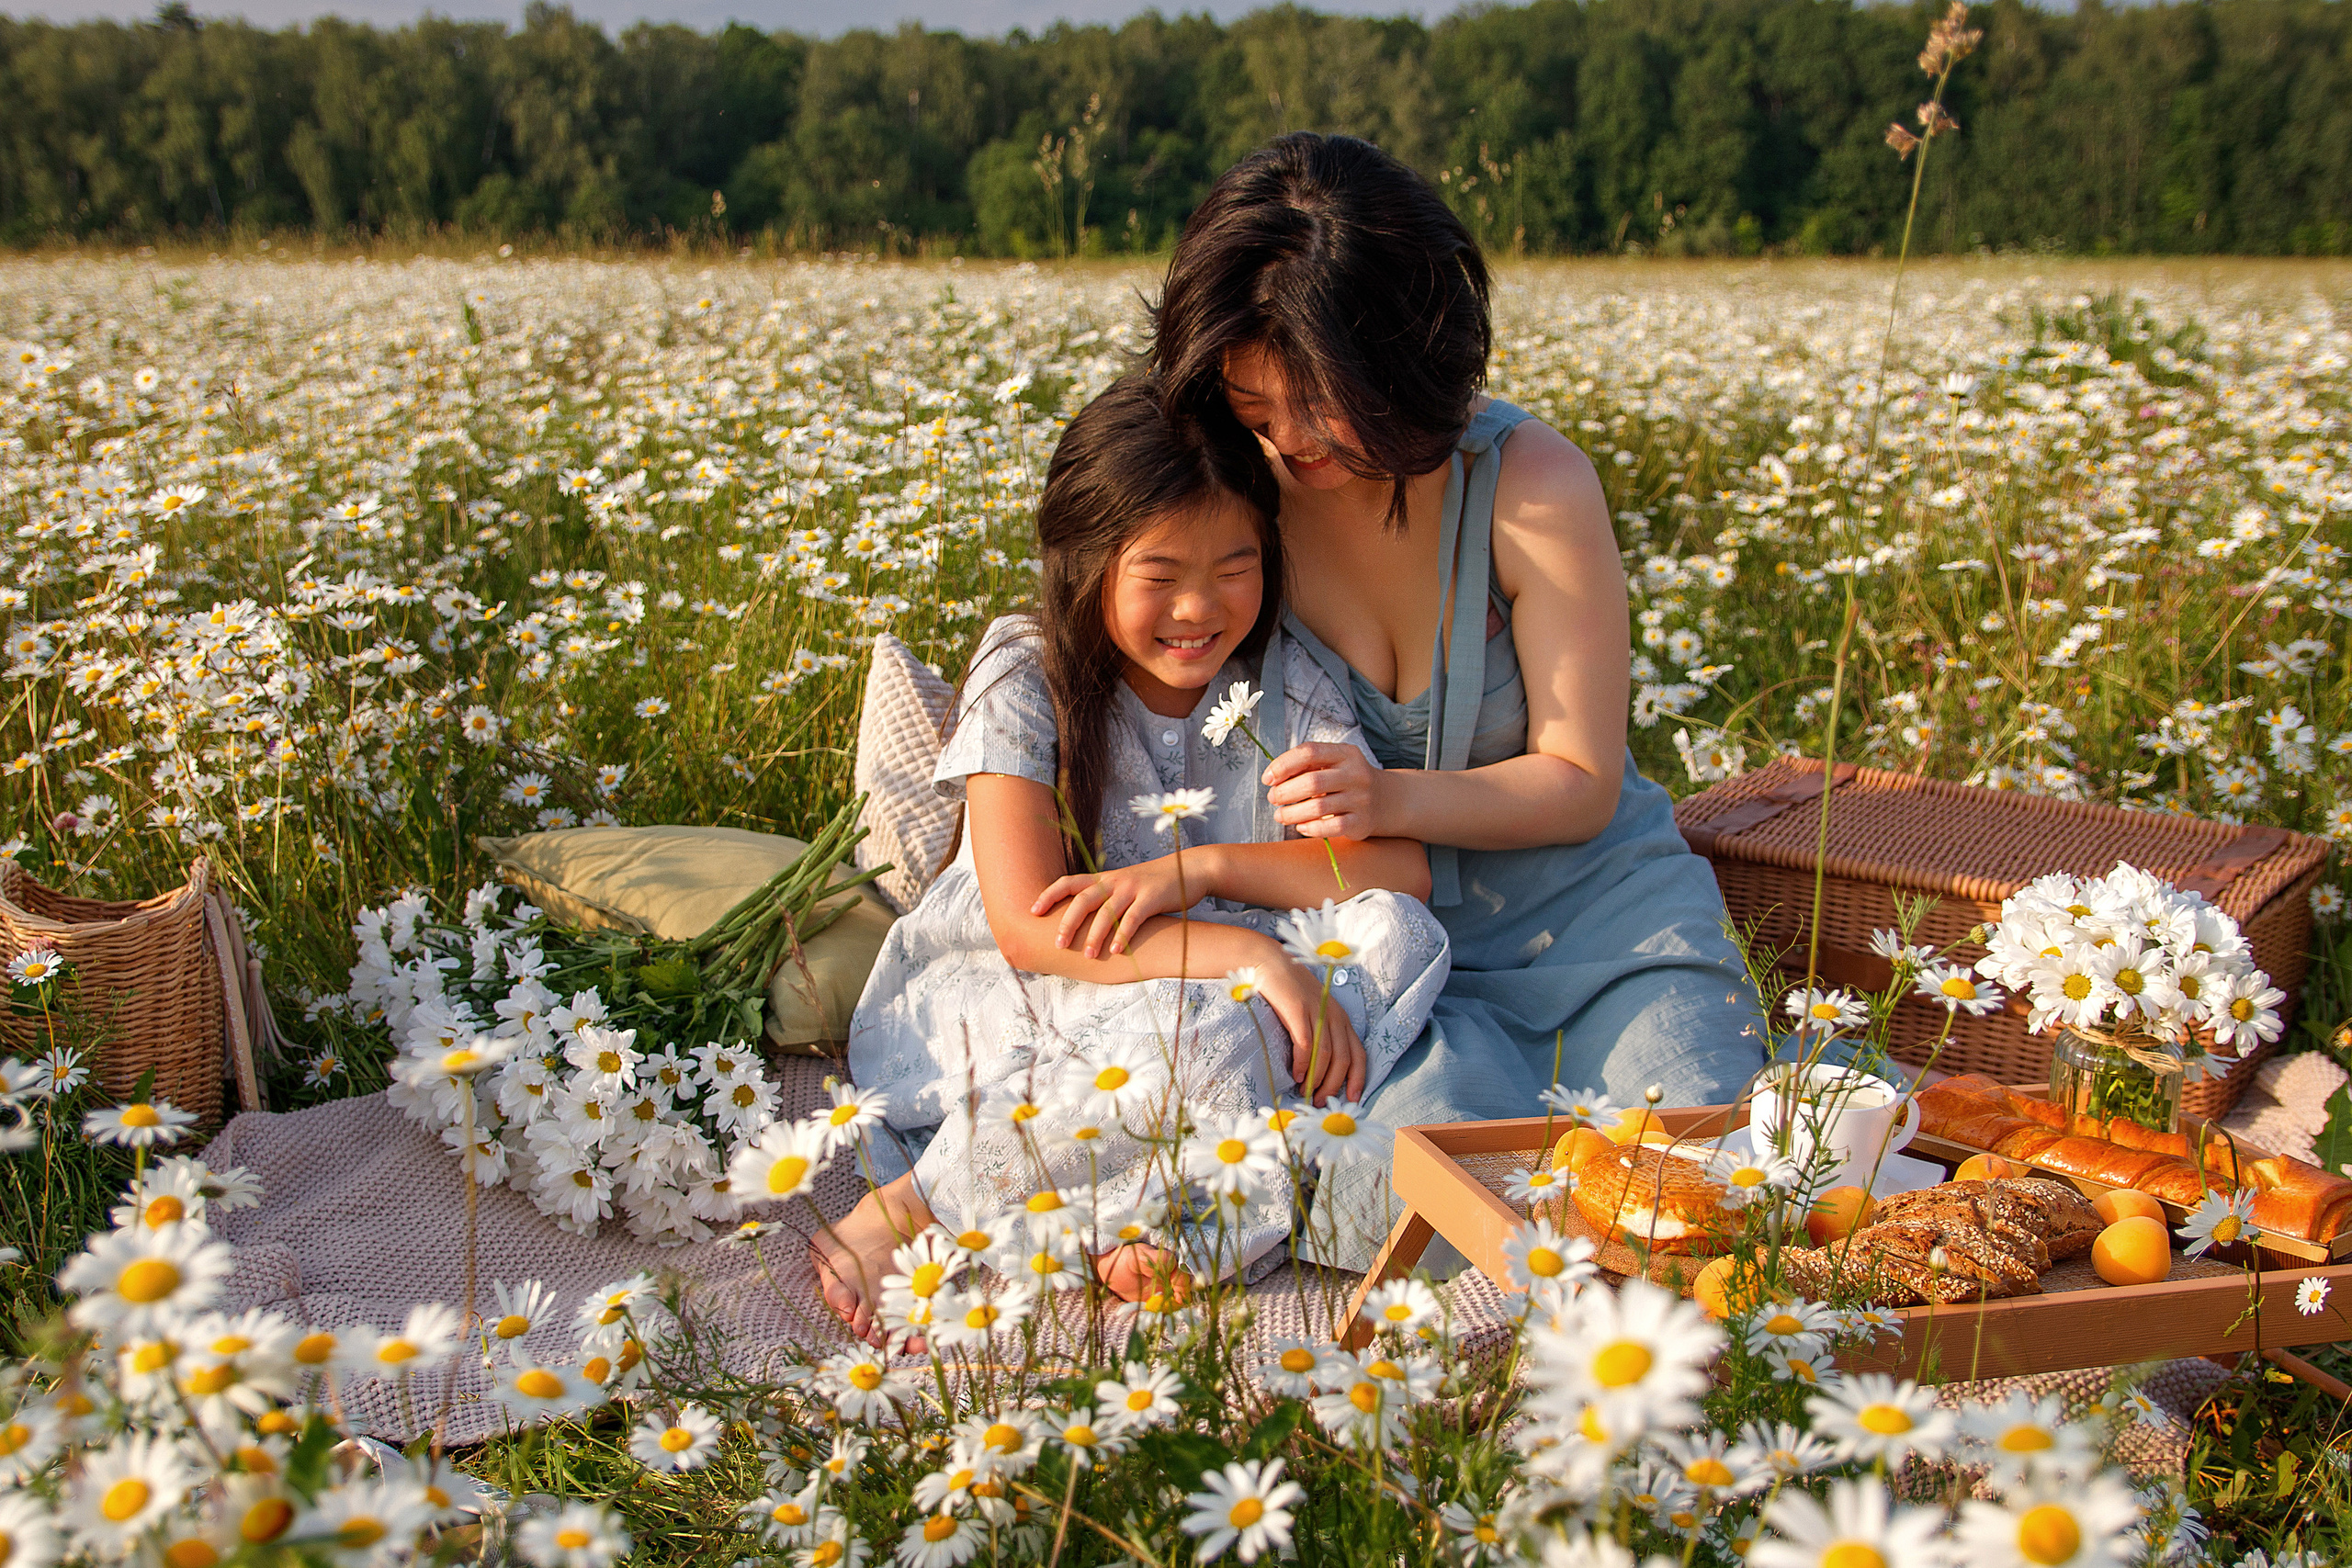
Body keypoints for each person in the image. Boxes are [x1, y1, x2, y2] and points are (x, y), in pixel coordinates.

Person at [1150, 132, 1769, 1270]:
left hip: (1604, 927)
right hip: (1397, 965)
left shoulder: (1528, 483)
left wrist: (1386, 793)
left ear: (1409, 360)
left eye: (1321, 407)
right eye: (1253, 405)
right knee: (1384, 1204)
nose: (1289, 442)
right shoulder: (1225, 503)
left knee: (1709, 1189)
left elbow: (1579, 784)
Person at [825, 374, 1452, 1343]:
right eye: (1159, 577)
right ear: (1085, 564)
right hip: (1042, 976)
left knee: (1395, 933)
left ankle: (1142, 1216)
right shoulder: (1027, 670)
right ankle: (927, 1204)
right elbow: (1030, 927)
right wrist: (1246, 957)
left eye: (1235, 568)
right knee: (1192, 1021)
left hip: (1229, 966)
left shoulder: (1285, 680)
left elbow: (1396, 869)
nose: (1199, 608)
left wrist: (1203, 876)